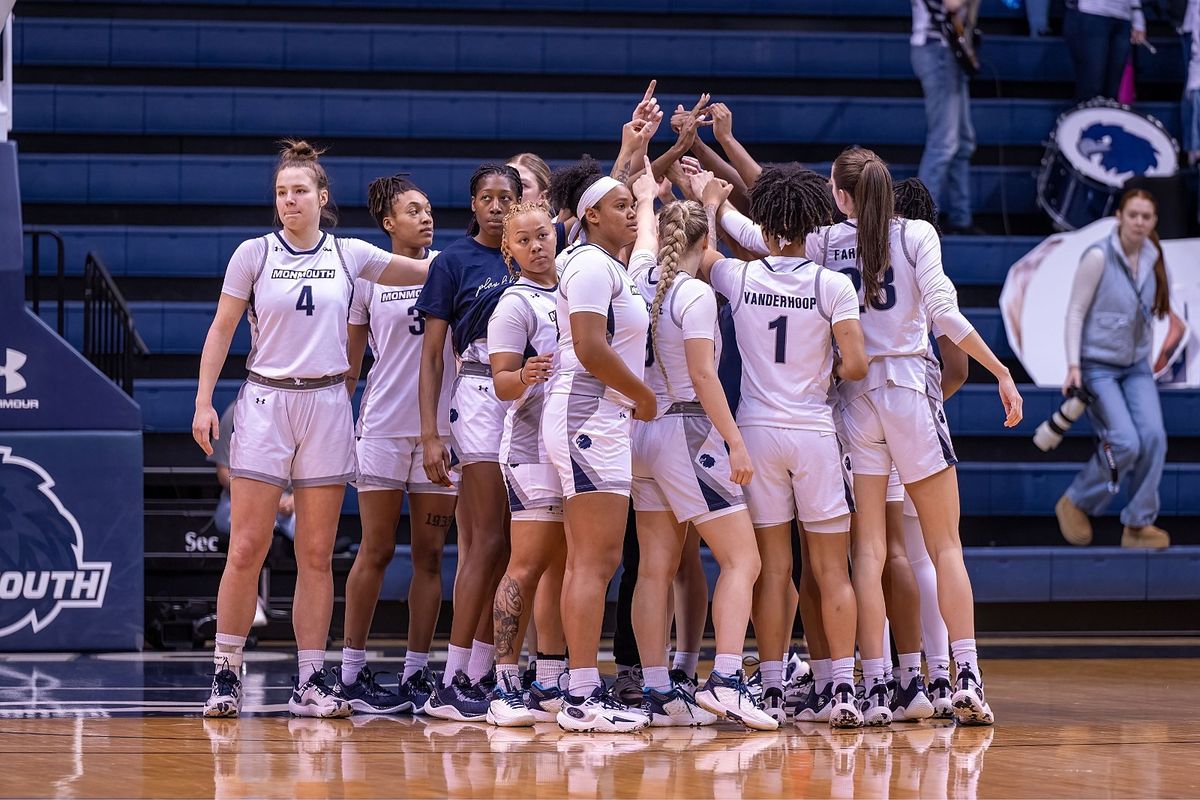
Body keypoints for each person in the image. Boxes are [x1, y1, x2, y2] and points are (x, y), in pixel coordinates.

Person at [193, 139, 435, 718]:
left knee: (317, 552)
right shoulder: (253, 254)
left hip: (328, 403)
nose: (289, 201)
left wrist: (500, 245)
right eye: (281, 193)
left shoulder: (351, 254)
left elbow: (427, 268)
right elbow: (222, 329)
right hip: (267, 400)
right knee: (246, 547)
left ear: (322, 198)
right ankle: (226, 673)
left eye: (300, 191)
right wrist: (204, 401)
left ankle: (311, 680)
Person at [811, 146, 1022, 727]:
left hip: (854, 398)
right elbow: (946, 316)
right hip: (908, 386)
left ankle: (876, 686)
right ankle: (966, 676)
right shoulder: (918, 235)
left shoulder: (825, 243)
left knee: (870, 551)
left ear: (842, 196)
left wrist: (701, 183)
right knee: (945, 545)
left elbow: (758, 232)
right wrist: (1001, 371)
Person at [708, 164, 869, 729]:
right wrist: (824, 375)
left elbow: (706, 253)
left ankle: (772, 688)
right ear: (810, 223)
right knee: (832, 571)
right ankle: (843, 691)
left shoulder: (740, 279)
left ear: (767, 224)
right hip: (813, 432)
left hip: (755, 432)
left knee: (773, 570)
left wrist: (710, 201)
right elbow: (856, 363)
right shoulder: (833, 284)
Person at [629, 190, 777, 731]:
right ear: (705, 241)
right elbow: (702, 375)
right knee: (744, 560)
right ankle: (728, 679)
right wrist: (734, 440)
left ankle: (657, 691)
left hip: (639, 433)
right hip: (685, 429)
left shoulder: (638, 273)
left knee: (654, 568)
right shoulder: (694, 295)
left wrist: (647, 179)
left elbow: (643, 220)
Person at [543, 159, 657, 733]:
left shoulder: (602, 263)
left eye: (633, 205)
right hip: (589, 413)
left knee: (593, 559)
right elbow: (589, 346)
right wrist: (642, 394)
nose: (632, 212)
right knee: (594, 559)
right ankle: (582, 693)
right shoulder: (589, 264)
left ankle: (579, 685)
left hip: (595, 415)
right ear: (590, 215)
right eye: (621, 206)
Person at [336, 174, 458, 715]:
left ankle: (415, 672)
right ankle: (350, 672)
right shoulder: (367, 276)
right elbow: (351, 362)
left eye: (428, 209)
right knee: (377, 549)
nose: (425, 217)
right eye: (413, 210)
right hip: (382, 426)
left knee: (430, 555)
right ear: (388, 223)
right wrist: (338, 421)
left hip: (443, 430)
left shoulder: (453, 268)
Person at [414, 163, 523, 721]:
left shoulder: (532, 255)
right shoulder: (454, 261)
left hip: (527, 397)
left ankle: (481, 672)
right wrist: (431, 433)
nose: (497, 206)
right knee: (484, 542)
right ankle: (454, 677)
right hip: (479, 394)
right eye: (487, 197)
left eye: (507, 196)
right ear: (474, 205)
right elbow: (431, 356)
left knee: (511, 547)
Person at [482, 201, 569, 727]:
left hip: (577, 442)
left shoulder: (578, 282)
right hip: (532, 446)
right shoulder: (514, 304)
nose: (537, 246)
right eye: (524, 240)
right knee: (529, 562)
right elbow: (500, 385)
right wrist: (526, 375)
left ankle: (553, 676)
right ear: (509, 250)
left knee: (565, 564)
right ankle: (505, 681)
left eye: (543, 235)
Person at [1056, 189, 1171, 550]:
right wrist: (1074, 365)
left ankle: (1138, 524)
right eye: (1133, 214)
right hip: (1098, 365)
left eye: (1146, 216)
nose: (1139, 222)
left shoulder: (1153, 257)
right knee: (1125, 441)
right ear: (1120, 216)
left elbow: (1152, 309)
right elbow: (1075, 312)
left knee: (1154, 437)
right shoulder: (1098, 257)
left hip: (1135, 365)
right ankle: (1075, 500)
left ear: (1153, 222)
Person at [911, 0, 979, 235]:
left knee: (963, 141)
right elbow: (952, 3)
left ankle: (962, 216)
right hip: (935, 50)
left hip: (950, 49)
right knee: (944, 143)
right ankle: (920, 224)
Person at [208, 402, 295, 542]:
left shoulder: (301, 412)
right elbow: (223, 472)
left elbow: (313, 474)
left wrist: (294, 500)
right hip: (241, 499)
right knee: (248, 526)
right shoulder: (236, 411)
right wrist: (261, 499)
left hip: (288, 500)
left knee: (310, 532)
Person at [1064, 0, 1147, 102]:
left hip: (1124, 17)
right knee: (1092, 88)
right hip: (1091, 13)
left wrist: (1138, 19)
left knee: (1112, 93)